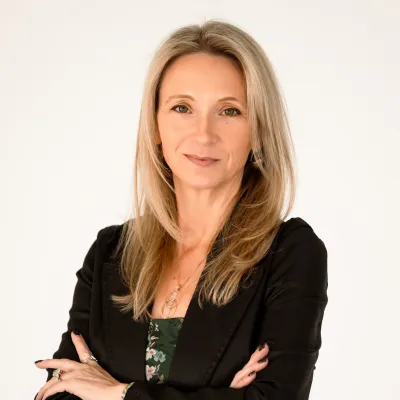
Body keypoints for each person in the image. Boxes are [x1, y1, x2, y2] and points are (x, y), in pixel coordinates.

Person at [34, 19, 328, 400]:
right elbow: (57, 392)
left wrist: (116, 392)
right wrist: (219, 394)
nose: (204, 134)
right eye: (182, 107)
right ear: (156, 126)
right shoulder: (111, 253)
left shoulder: (290, 253)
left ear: (258, 130)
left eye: (230, 111)